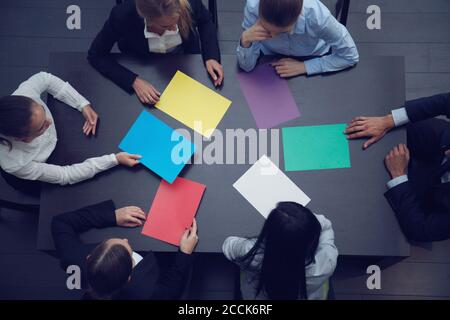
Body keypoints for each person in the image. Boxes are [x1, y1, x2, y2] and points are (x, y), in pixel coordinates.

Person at [0, 72, 140, 186]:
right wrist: (114, 159)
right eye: (41, 127)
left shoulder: (25, 94)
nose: (48, 121)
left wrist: (82, 104)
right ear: (21, 138)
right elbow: (65, 175)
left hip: (64, 133)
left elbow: (45, 78)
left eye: (42, 109)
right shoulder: (15, 163)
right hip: (42, 169)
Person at [345, 92, 450, 241]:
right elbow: (445, 101)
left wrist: (398, 176)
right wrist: (388, 121)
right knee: (400, 123)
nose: (448, 152)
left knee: (377, 206)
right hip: (440, 139)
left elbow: (421, 230)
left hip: (436, 195)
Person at [51, 200, 198, 300]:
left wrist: (112, 216)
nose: (125, 240)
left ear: (90, 257)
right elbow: (171, 290)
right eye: (130, 255)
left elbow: (60, 222)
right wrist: (185, 253)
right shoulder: (145, 292)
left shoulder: (71, 259)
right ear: (129, 278)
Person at [88, 0, 223, 105]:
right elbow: (96, 55)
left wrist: (211, 57)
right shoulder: (122, 16)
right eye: (166, 26)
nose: (175, 28)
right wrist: (133, 81)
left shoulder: (189, 3)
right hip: (142, 64)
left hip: (184, 59)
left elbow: (205, 20)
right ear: (147, 18)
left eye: (177, 20)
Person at [222, 202, 338, 300]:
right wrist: (303, 222)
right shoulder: (326, 262)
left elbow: (228, 244)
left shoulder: (250, 253)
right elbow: (326, 225)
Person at [237, 0, 359, 76]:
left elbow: (350, 56)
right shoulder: (253, 7)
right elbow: (246, 66)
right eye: (266, 29)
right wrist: (245, 40)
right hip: (268, 57)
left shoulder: (318, 17)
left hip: (313, 55)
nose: (272, 36)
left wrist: (305, 66)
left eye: (282, 32)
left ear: (299, 15)